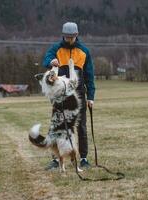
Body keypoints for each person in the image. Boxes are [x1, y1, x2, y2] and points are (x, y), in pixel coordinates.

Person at [42, 22, 95, 169]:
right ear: (63, 35)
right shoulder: (56, 49)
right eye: (66, 37)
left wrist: (91, 97)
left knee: (81, 127)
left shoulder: (84, 51)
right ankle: (55, 159)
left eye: (71, 37)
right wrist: (50, 61)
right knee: (57, 126)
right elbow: (46, 59)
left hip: (78, 96)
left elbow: (90, 76)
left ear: (76, 35)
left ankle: (83, 158)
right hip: (60, 95)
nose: (69, 39)